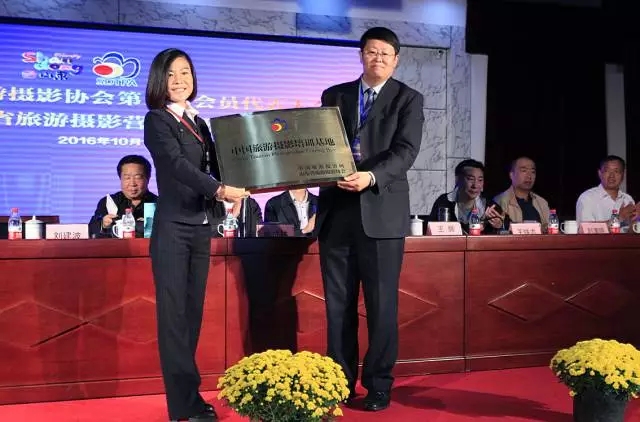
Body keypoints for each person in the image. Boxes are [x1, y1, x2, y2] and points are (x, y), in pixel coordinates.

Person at [317, 27, 424, 412]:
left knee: (381, 307)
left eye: (385, 54)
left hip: (381, 212)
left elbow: (406, 151)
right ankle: (339, 383)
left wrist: (371, 176)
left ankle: (379, 384)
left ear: (396, 60)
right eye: (371, 52)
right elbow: (319, 145)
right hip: (336, 213)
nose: (377, 58)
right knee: (338, 306)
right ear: (361, 55)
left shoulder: (408, 99)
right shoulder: (334, 95)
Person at [143, 48, 247, 422]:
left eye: (185, 72)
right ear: (159, 80)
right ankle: (183, 404)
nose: (179, 80)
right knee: (174, 319)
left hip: (201, 227)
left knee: (192, 317)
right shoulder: (157, 120)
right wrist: (219, 190)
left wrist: (246, 181)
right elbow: (176, 165)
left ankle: (188, 398)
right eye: (171, 74)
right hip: (173, 230)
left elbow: (220, 165)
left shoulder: (200, 123)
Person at [88, 155, 157, 238]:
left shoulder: (159, 203)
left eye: (138, 177)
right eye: (127, 178)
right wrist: (103, 224)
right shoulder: (109, 201)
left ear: (148, 178)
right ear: (120, 178)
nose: (132, 183)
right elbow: (90, 229)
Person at [429, 159, 506, 233]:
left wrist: (500, 224)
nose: (475, 185)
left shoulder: (488, 205)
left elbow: (507, 223)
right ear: (458, 180)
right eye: (470, 179)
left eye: (480, 180)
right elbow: (429, 228)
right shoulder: (444, 202)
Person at [494, 156, 551, 231]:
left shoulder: (542, 202)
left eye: (533, 172)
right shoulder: (500, 201)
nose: (529, 176)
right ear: (511, 175)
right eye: (524, 171)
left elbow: (551, 230)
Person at [576, 155, 637, 225]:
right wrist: (618, 217)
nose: (612, 176)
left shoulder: (628, 199)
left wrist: (636, 221)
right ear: (599, 173)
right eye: (607, 171)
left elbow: (631, 230)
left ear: (623, 174)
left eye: (616, 171)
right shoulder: (587, 198)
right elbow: (585, 229)